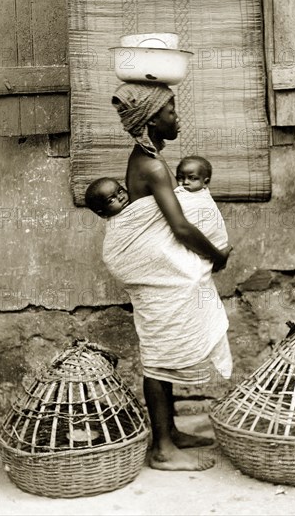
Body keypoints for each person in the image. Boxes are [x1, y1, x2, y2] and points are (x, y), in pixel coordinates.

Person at [104, 81, 232, 471]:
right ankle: (162, 448)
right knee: (158, 352)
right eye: (172, 111)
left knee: (162, 342)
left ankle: (170, 432)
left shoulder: (146, 157)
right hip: (154, 271)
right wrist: (216, 256)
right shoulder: (155, 166)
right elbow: (178, 227)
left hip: (157, 264)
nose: (177, 117)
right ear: (153, 120)